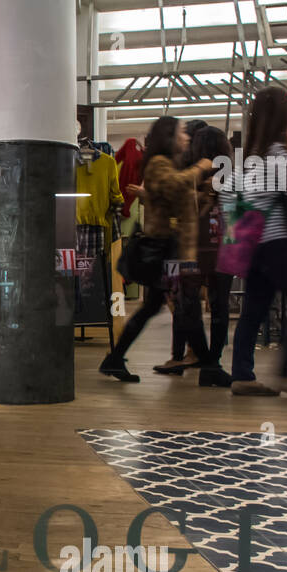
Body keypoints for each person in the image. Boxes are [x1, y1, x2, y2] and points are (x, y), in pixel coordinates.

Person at [100, 116, 231, 386]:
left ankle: (115, 359)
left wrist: (204, 195)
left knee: (161, 307)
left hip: (172, 248)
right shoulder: (159, 164)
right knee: (186, 308)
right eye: (181, 133)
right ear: (170, 137)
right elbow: (173, 187)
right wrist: (200, 168)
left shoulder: (168, 165)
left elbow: (177, 199)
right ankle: (209, 367)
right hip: (167, 250)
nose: (186, 138)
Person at [222, 86, 287, 397]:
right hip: (276, 243)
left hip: (252, 246)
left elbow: (228, 201)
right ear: (283, 118)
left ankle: (242, 375)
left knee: (253, 309)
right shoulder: (279, 155)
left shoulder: (249, 159)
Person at [156, 125, 235, 374]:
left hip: (193, 247)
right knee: (220, 305)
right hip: (223, 248)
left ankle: (200, 356)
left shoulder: (191, 173)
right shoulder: (231, 175)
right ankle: (213, 360)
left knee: (186, 303)